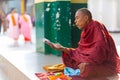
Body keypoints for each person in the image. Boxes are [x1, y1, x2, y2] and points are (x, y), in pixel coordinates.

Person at [45, 8, 120, 80]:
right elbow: (80, 52)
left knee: (87, 69)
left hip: (106, 65)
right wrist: (61, 48)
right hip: (94, 61)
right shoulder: (85, 31)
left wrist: (87, 62)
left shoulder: (96, 26)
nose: (75, 21)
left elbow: (100, 53)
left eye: (77, 18)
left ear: (86, 18)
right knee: (72, 59)